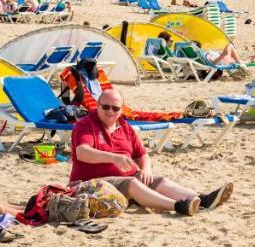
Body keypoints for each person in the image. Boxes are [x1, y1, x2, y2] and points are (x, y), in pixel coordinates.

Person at [70, 88, 232, 215]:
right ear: (97, 106)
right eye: (105, 106)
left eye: (115, 108)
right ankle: (179, 206)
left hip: (124, 182)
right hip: (90, 184)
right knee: (132, 183)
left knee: (156, 180)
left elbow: (142, 154)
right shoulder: (86, 125)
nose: (110, 111)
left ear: (121, 110)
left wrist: (146, 170)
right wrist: (114, 158)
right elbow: (82, 152)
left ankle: (202, 199)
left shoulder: (124, 126)